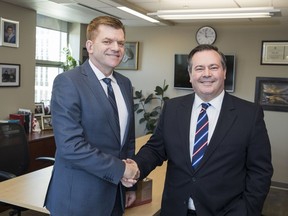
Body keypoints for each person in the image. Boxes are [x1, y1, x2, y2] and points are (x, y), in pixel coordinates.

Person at [132, 44, 273, 216]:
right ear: (191, 75)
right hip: (175, 210)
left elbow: (260, 171)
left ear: (224, 72)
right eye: (199, 68)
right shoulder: (172, 109)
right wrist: (135, 167)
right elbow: (155, 149)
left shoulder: (249, 114)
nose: (207, 74)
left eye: (213, 67)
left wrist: (247, 211)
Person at [44, 16, 139, 216]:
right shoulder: (68, 82)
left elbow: (127, 140)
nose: (116, 48)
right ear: (90, 46)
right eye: (107, 41)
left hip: (116, 195)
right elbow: (70, 146)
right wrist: (121, 170)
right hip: (78, 199)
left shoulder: (124, 84)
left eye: (120, 43)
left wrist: (129, 186)